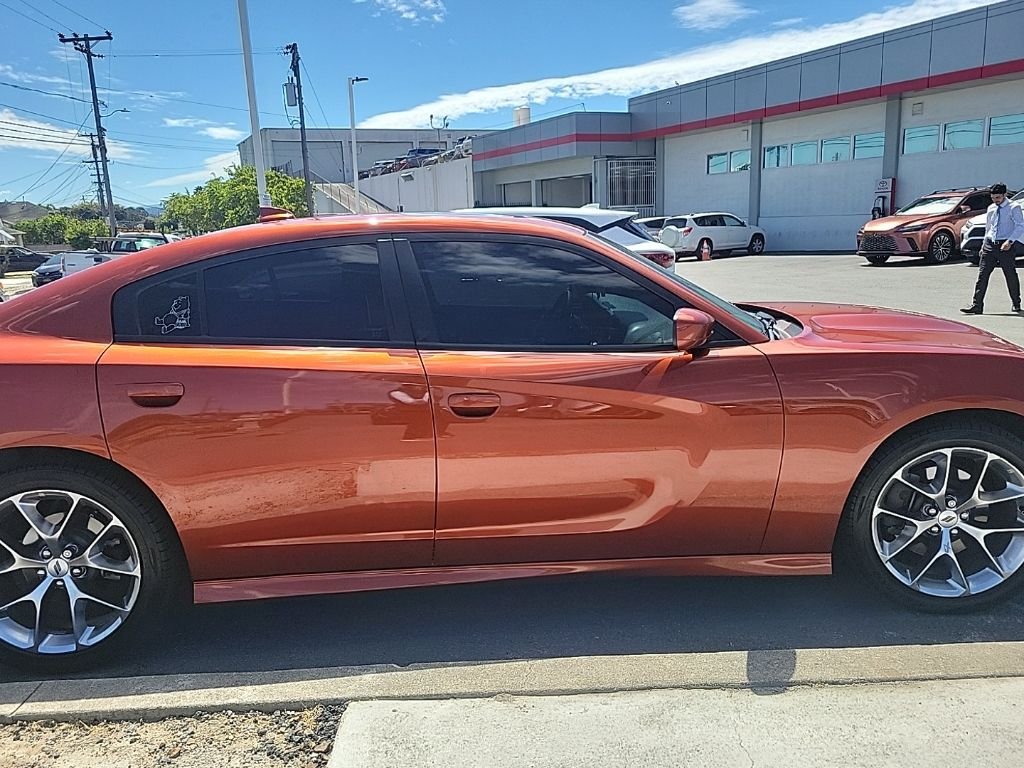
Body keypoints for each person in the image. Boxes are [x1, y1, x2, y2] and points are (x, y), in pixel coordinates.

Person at [961, 183, 1024, 315]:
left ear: (1005, 195)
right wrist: (984, 244)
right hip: (990, 245)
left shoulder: (1014, 207)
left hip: (1005, 245)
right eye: (993, 197)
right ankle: (977, 305)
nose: (996, 200)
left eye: (998, 197)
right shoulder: (991, 208)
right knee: (982, 275)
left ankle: (1016, 303)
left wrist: (1010, 241)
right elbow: (989, 227)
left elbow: (1020, 226)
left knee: (1010, 275)